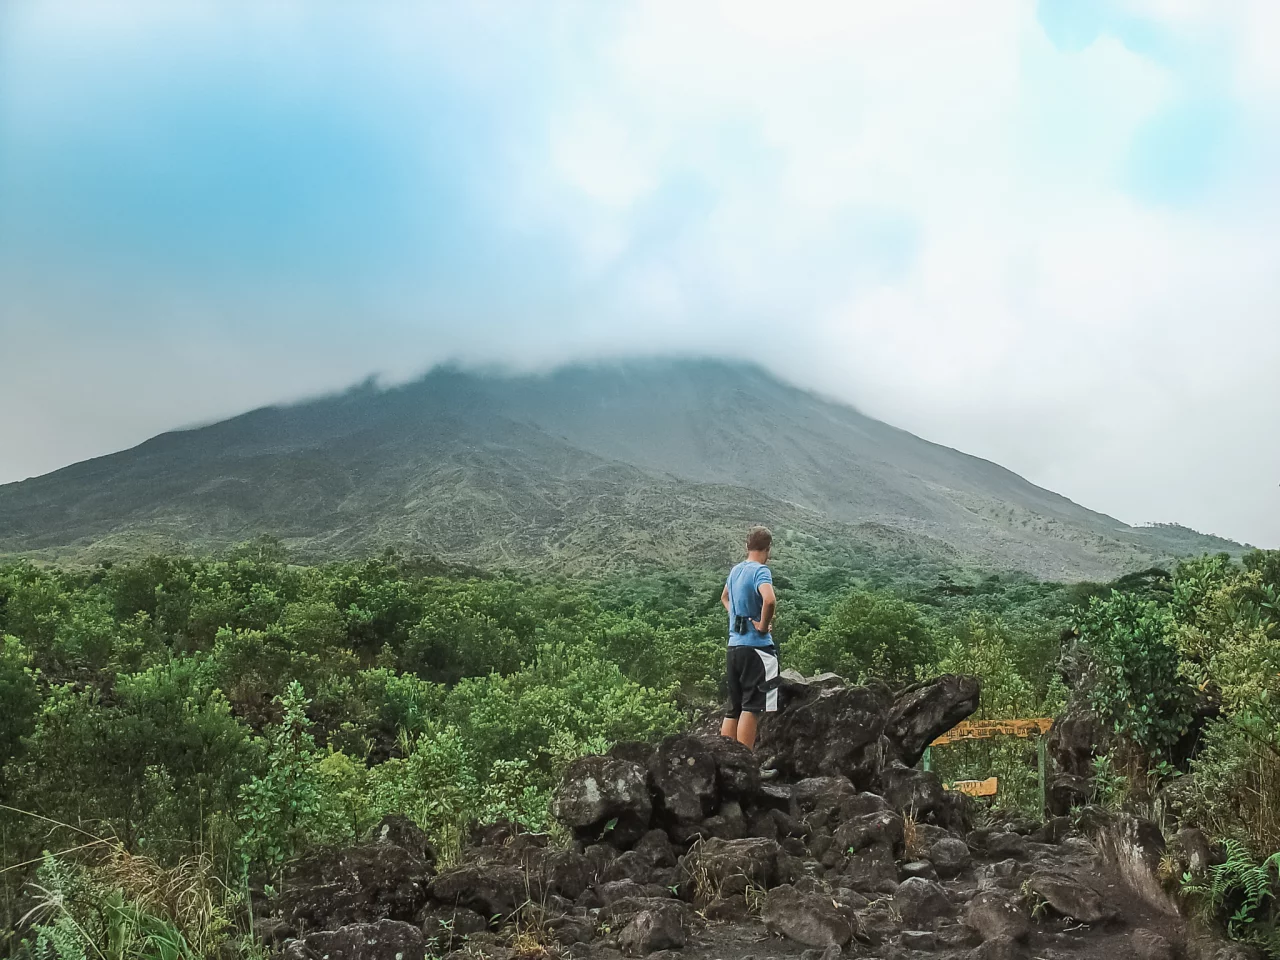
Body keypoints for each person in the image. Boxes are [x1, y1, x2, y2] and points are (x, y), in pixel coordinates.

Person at [720, 526, 778, 749]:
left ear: (747, 546)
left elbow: (724, 597)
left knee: (733, 708)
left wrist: (737, 615)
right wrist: (762, 626)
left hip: (734, 648)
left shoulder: (736, 571)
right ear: (768, 548)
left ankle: (726, 758)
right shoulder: (760, 571)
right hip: (757, 648)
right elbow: (769, 600)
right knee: (751, 708)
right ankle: (745, 762)